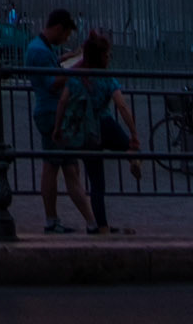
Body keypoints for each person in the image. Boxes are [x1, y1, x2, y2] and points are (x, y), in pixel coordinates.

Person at [55, 30, 141, 233]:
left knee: (96, 183)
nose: (109, 58)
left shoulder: (76, 78)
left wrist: (58, 129)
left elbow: (62, 102)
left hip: (86, 133)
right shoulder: (106, 79)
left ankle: (102, 227)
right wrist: (134, 133)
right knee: (129, 146)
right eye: (107, 54)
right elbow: (122, 106)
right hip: (106, 124)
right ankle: (133, 158)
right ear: (101, 57)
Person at [25, 8, 94, 232]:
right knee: (61, 168)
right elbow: (53, 82)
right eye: (65, 35)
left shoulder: (40, 48)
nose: (65, 39)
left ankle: (79, 221)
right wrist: (79, 66)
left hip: (50, 112)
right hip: (53, 113)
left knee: (61, 168)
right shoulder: (41, 51)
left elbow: (53, 67)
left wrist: (71, 57)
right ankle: (85, 221)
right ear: (57, 28)